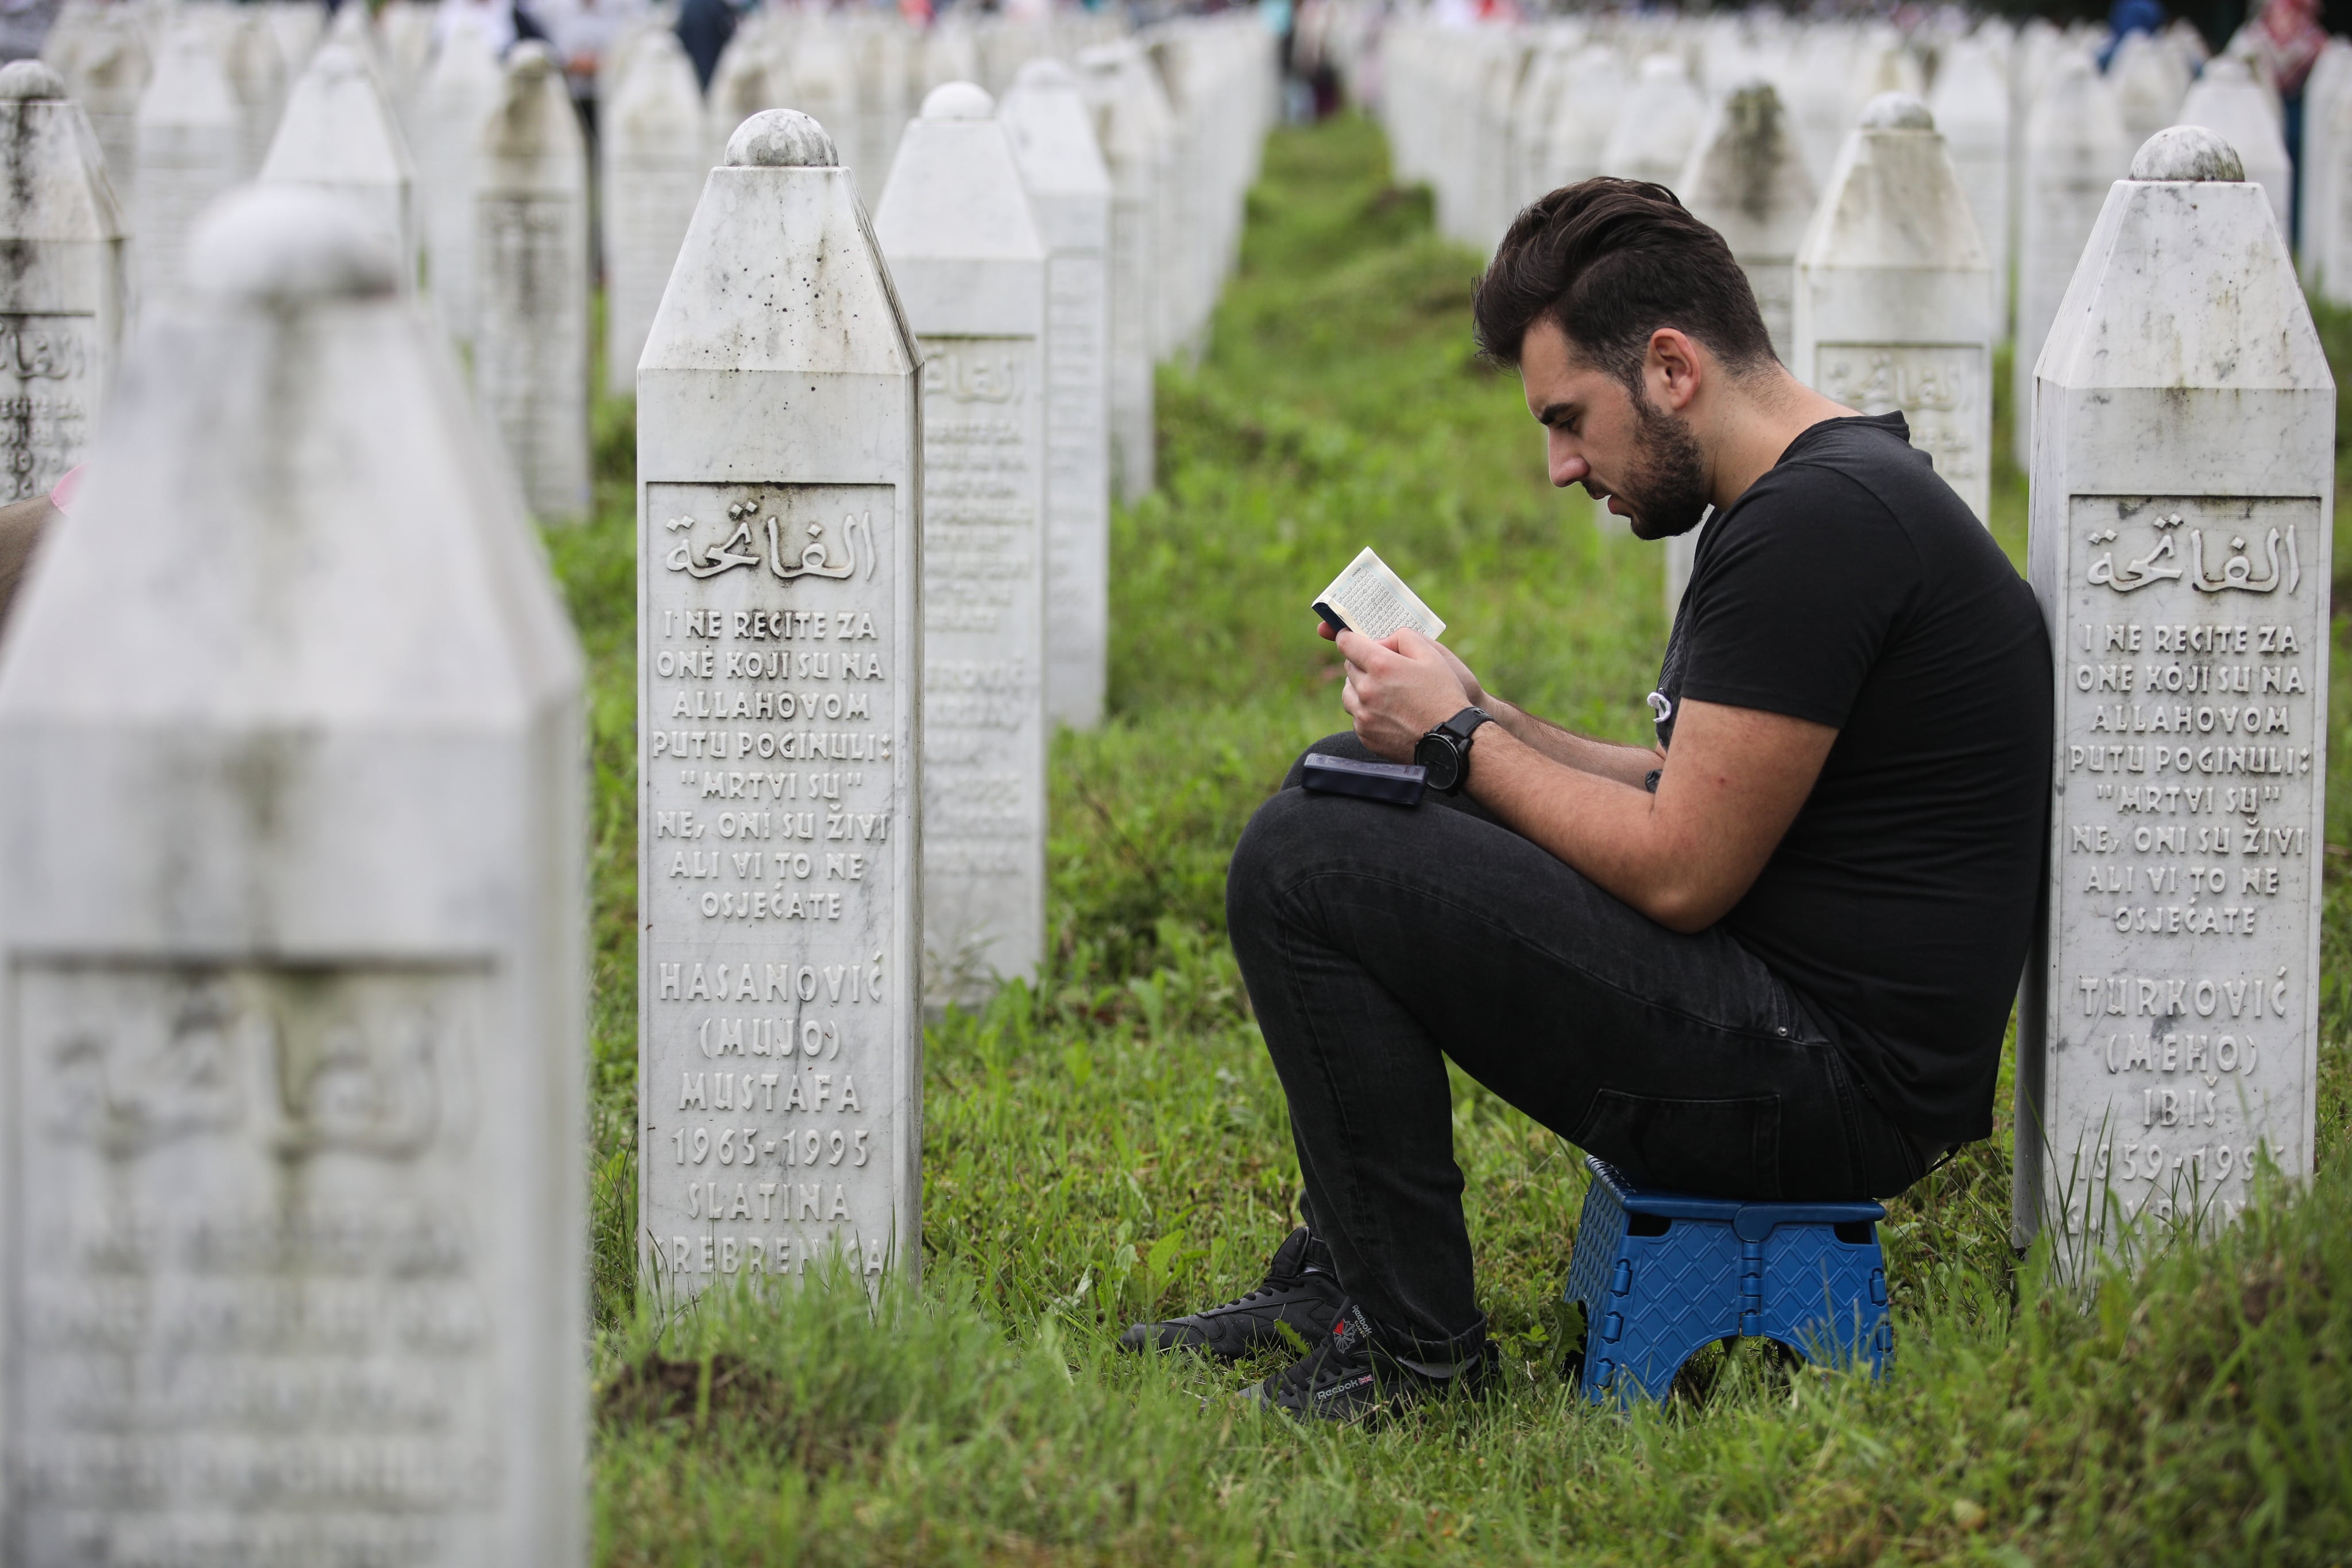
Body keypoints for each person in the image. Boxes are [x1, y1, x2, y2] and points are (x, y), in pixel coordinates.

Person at [1120, 179, 2052, 1423]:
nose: (1561, 467)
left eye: (1569, 419)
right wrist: (1483, 719)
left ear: (1668, 366)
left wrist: (1454, 739)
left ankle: (1411, 1360)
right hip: (1794, 1026)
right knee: (1336, 789)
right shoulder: (1818, 493)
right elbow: (1691, 787)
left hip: (1827, 1083)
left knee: (1309, 860)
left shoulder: (1817, 527)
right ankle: (1347, 1281)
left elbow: (1680, 869)